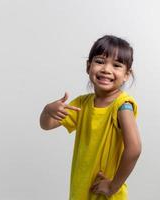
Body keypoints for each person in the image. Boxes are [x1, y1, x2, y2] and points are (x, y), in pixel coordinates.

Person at [39, 35, 142, 200]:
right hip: (81, 189)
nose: (106, 69)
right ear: (88, 67)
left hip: (104, 193)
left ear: (126, 75)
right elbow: (47, 125)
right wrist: (47, 110)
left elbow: (134, 148)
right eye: (100, 61)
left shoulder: (123, 105)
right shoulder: (82, 104)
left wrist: (113, 186)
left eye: (116, 65)